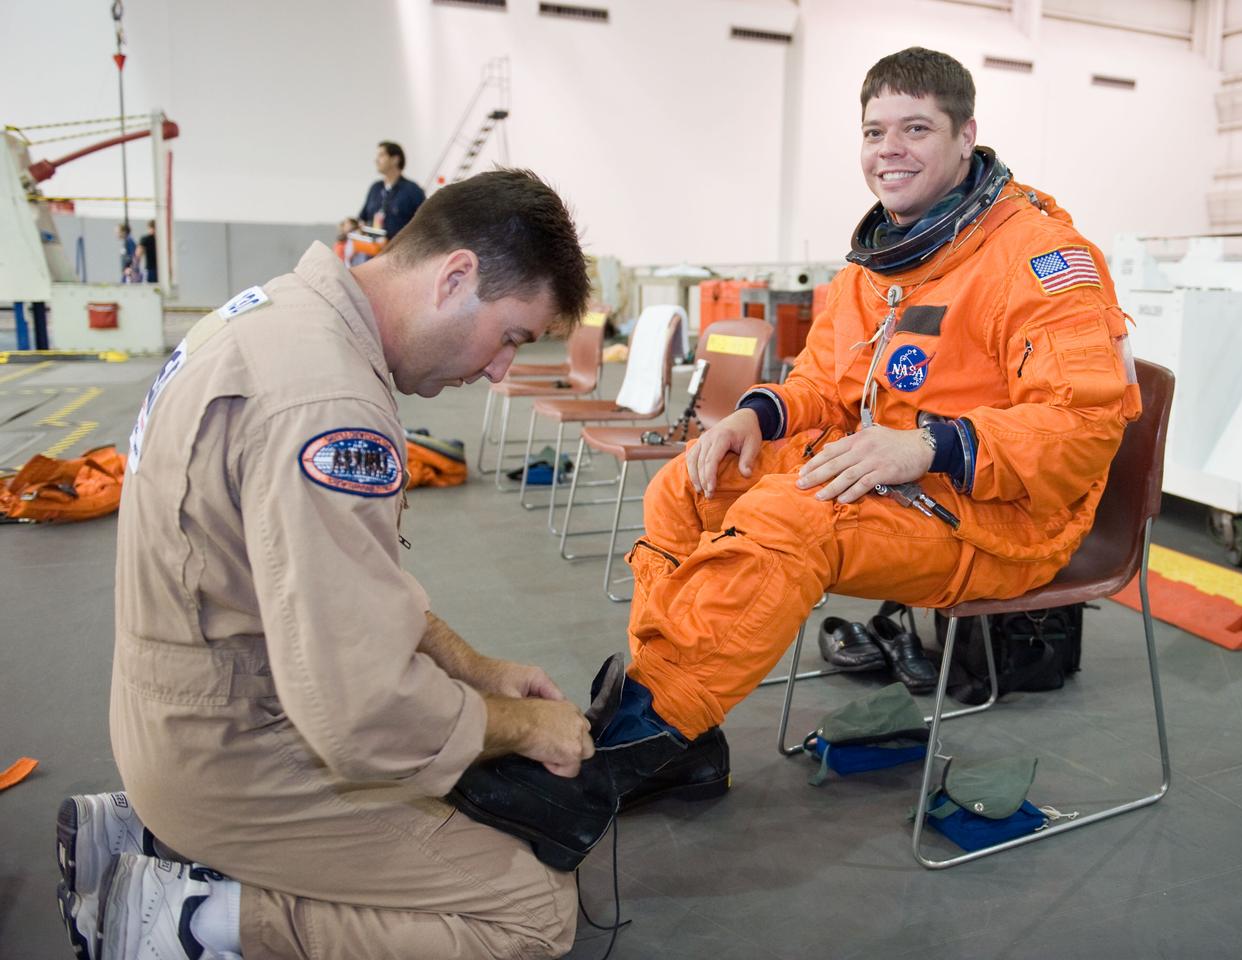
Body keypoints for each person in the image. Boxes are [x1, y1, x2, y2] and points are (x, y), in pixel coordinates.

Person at [450, 47, 1142, 867]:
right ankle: (680, 735)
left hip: (1002, 517)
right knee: (686, 486)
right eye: (875, 130)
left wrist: (925, 444)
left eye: (916, 128)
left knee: (786, 522)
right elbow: (824, 382)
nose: (891, 148)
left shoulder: (1040, 259)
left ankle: (627, 750)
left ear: (967, 137)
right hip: (893, 481)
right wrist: (755, 413)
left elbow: (1082, 427)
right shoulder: (879, 264)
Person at [57, 169, 594, 960]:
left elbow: (333, 586)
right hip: (233, 750)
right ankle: (184, 917)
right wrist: (518, 727)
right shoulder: (328, 403)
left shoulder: (279, 316)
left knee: (460, 786)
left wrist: (472, 668)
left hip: (182, 708)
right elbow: (361, 713)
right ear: (455, 278)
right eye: (511, 336)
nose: (499, 371)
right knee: (532, 907)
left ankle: (148, 833)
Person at [359, 140, 427, 242]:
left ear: (395, 159)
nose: (376, 160)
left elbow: (424, 224)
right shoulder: (375, 188)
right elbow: (362, 218)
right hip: (373, 251)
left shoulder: (413, 190)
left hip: (400, 252)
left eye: (381, 155)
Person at [135, 220, 159, 284]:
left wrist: (135, 269)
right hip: (162, 272)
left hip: (150, 270)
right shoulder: (162, 239)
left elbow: (138, 254)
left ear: (149, 227)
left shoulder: (145, 239)